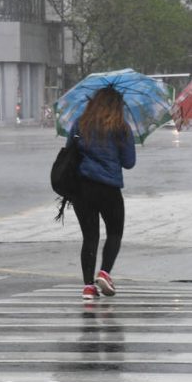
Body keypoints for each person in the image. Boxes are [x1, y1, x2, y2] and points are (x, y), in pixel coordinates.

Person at [66, 86, 136, 301]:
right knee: (114, 232)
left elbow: (69, 149)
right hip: (109, 188)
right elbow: (129, 162)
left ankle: (88, 286)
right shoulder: (121, 128)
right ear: (117, 106)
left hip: (83, 189)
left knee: (90, 237)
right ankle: (104, 272)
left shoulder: (80, 123)